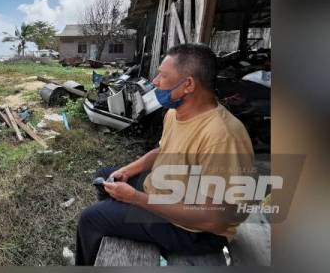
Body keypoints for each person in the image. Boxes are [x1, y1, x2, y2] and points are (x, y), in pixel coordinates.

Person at [75, 43, 255, 266]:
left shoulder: (222, 136)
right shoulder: (175, 113)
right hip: (167, 190)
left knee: (91, 219)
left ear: (188, 84)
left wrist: (137, 199)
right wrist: (129, 169)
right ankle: (120, 226)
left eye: (163, 75)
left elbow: (213, 219)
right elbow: (164, 150)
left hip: (194, 231)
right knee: (107, 176)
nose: (155, 82)